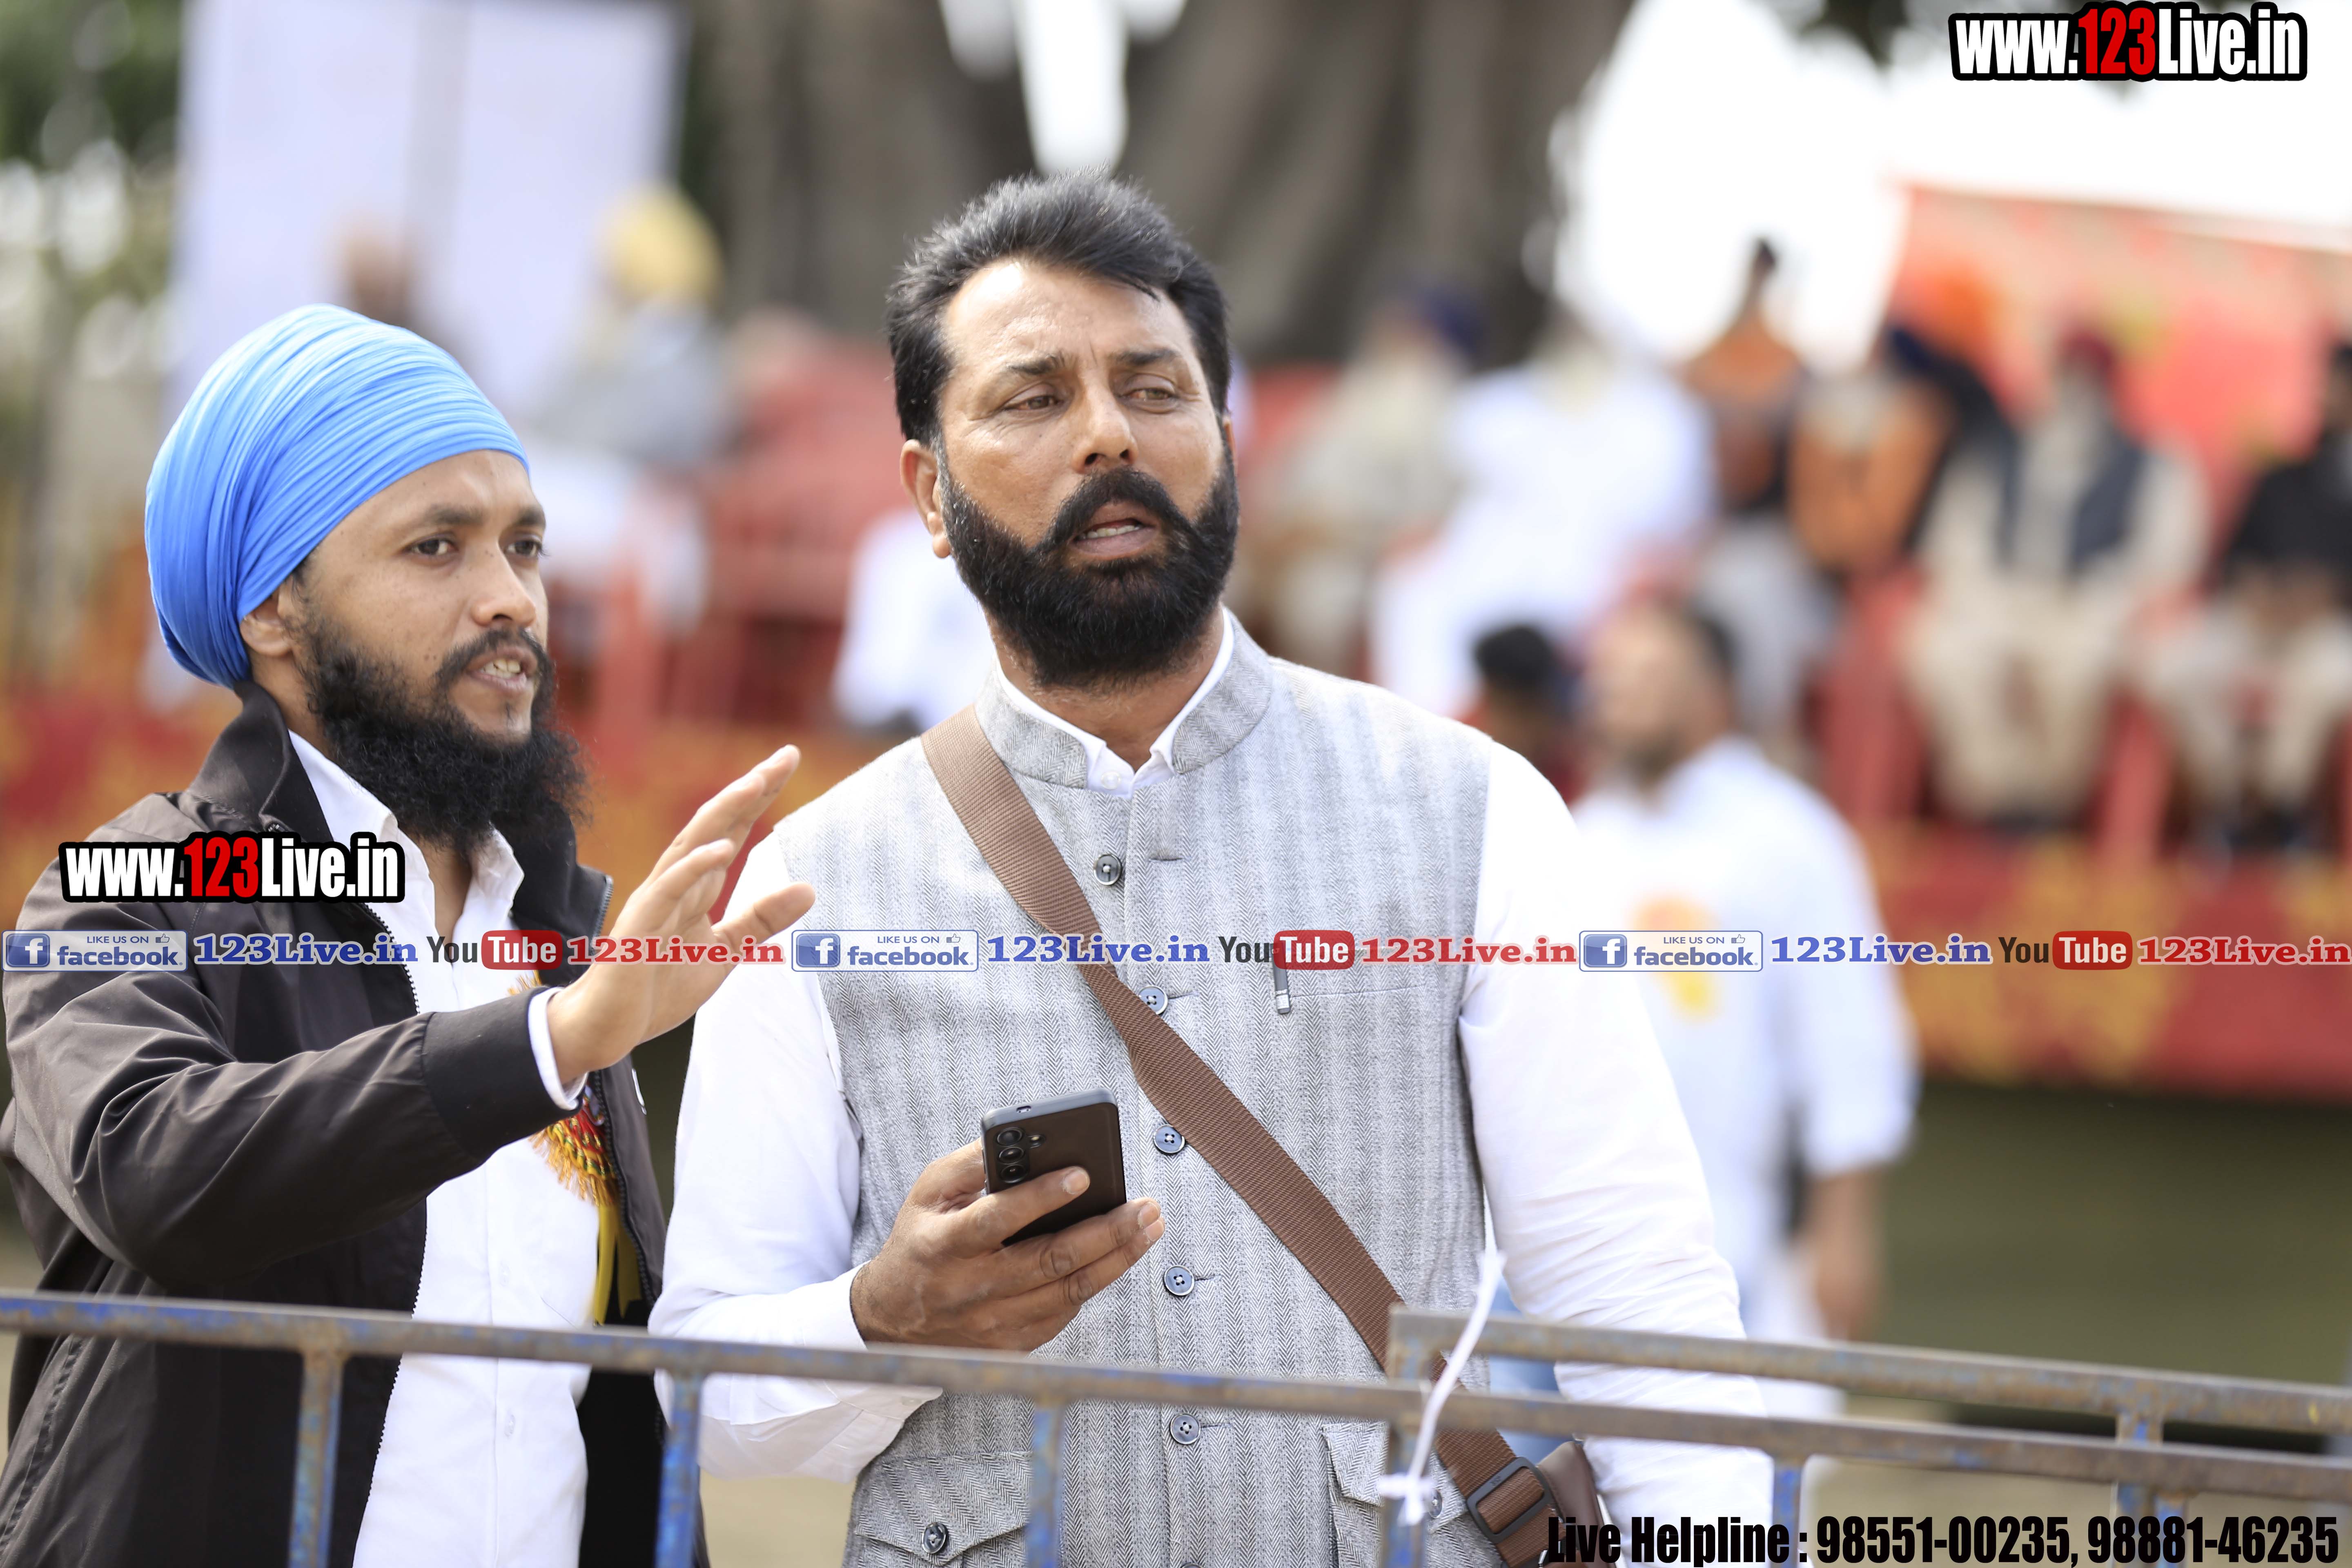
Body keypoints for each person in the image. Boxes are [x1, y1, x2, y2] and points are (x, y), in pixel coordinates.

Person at [653, 173, 1768, 1563]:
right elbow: (709, 1402)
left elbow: (1635, 1295)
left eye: (1154, 389)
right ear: (928, 495)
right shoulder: (812, 890)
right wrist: (879, 1322)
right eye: (1033, 398)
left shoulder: (1476, 814)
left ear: (1228, 447)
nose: (1109, 433)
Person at [0, 305, 814, 1568]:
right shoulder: (141, 880)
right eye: (437, 547)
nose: (511, 600)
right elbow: (151, 1163)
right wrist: (552, 1042)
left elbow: (613, 1394)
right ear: (275, 610)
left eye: (526, 546)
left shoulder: (555, 929)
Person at [1572, 603, 1916, 1414]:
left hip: (1735, 1244)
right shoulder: (1582, 834)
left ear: (1714, 692)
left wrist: (1843, 1231)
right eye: (1608, 678)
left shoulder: (1789, 838)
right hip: (1578, 1239)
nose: (1619, 696)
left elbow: (1851, 1043)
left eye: (1648, 676)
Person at [1902, 330, 2205, 824]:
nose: (2075, 395)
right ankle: (1987, 796)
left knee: (2081, 666)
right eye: (2068, 379)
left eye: (2089, 382)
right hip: (1999, 601)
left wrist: (2104, 598)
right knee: (1939, 651)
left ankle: (2050, 802)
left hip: (2093, 608)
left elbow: (2165, 560)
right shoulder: (1993, 454)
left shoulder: (2153, 464)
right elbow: (1955, 545)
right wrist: (1989, 597)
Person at [2136, 341, 2352, 851]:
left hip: (2333, 631)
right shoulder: (2281, 478)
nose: (2331, 396)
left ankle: (2281, 810)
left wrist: (2328, 598)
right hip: (2254, 622)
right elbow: (2232, 560)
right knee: (2166, 667)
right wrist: (2258, 592)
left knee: (2317, 686)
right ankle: (2231, 803)